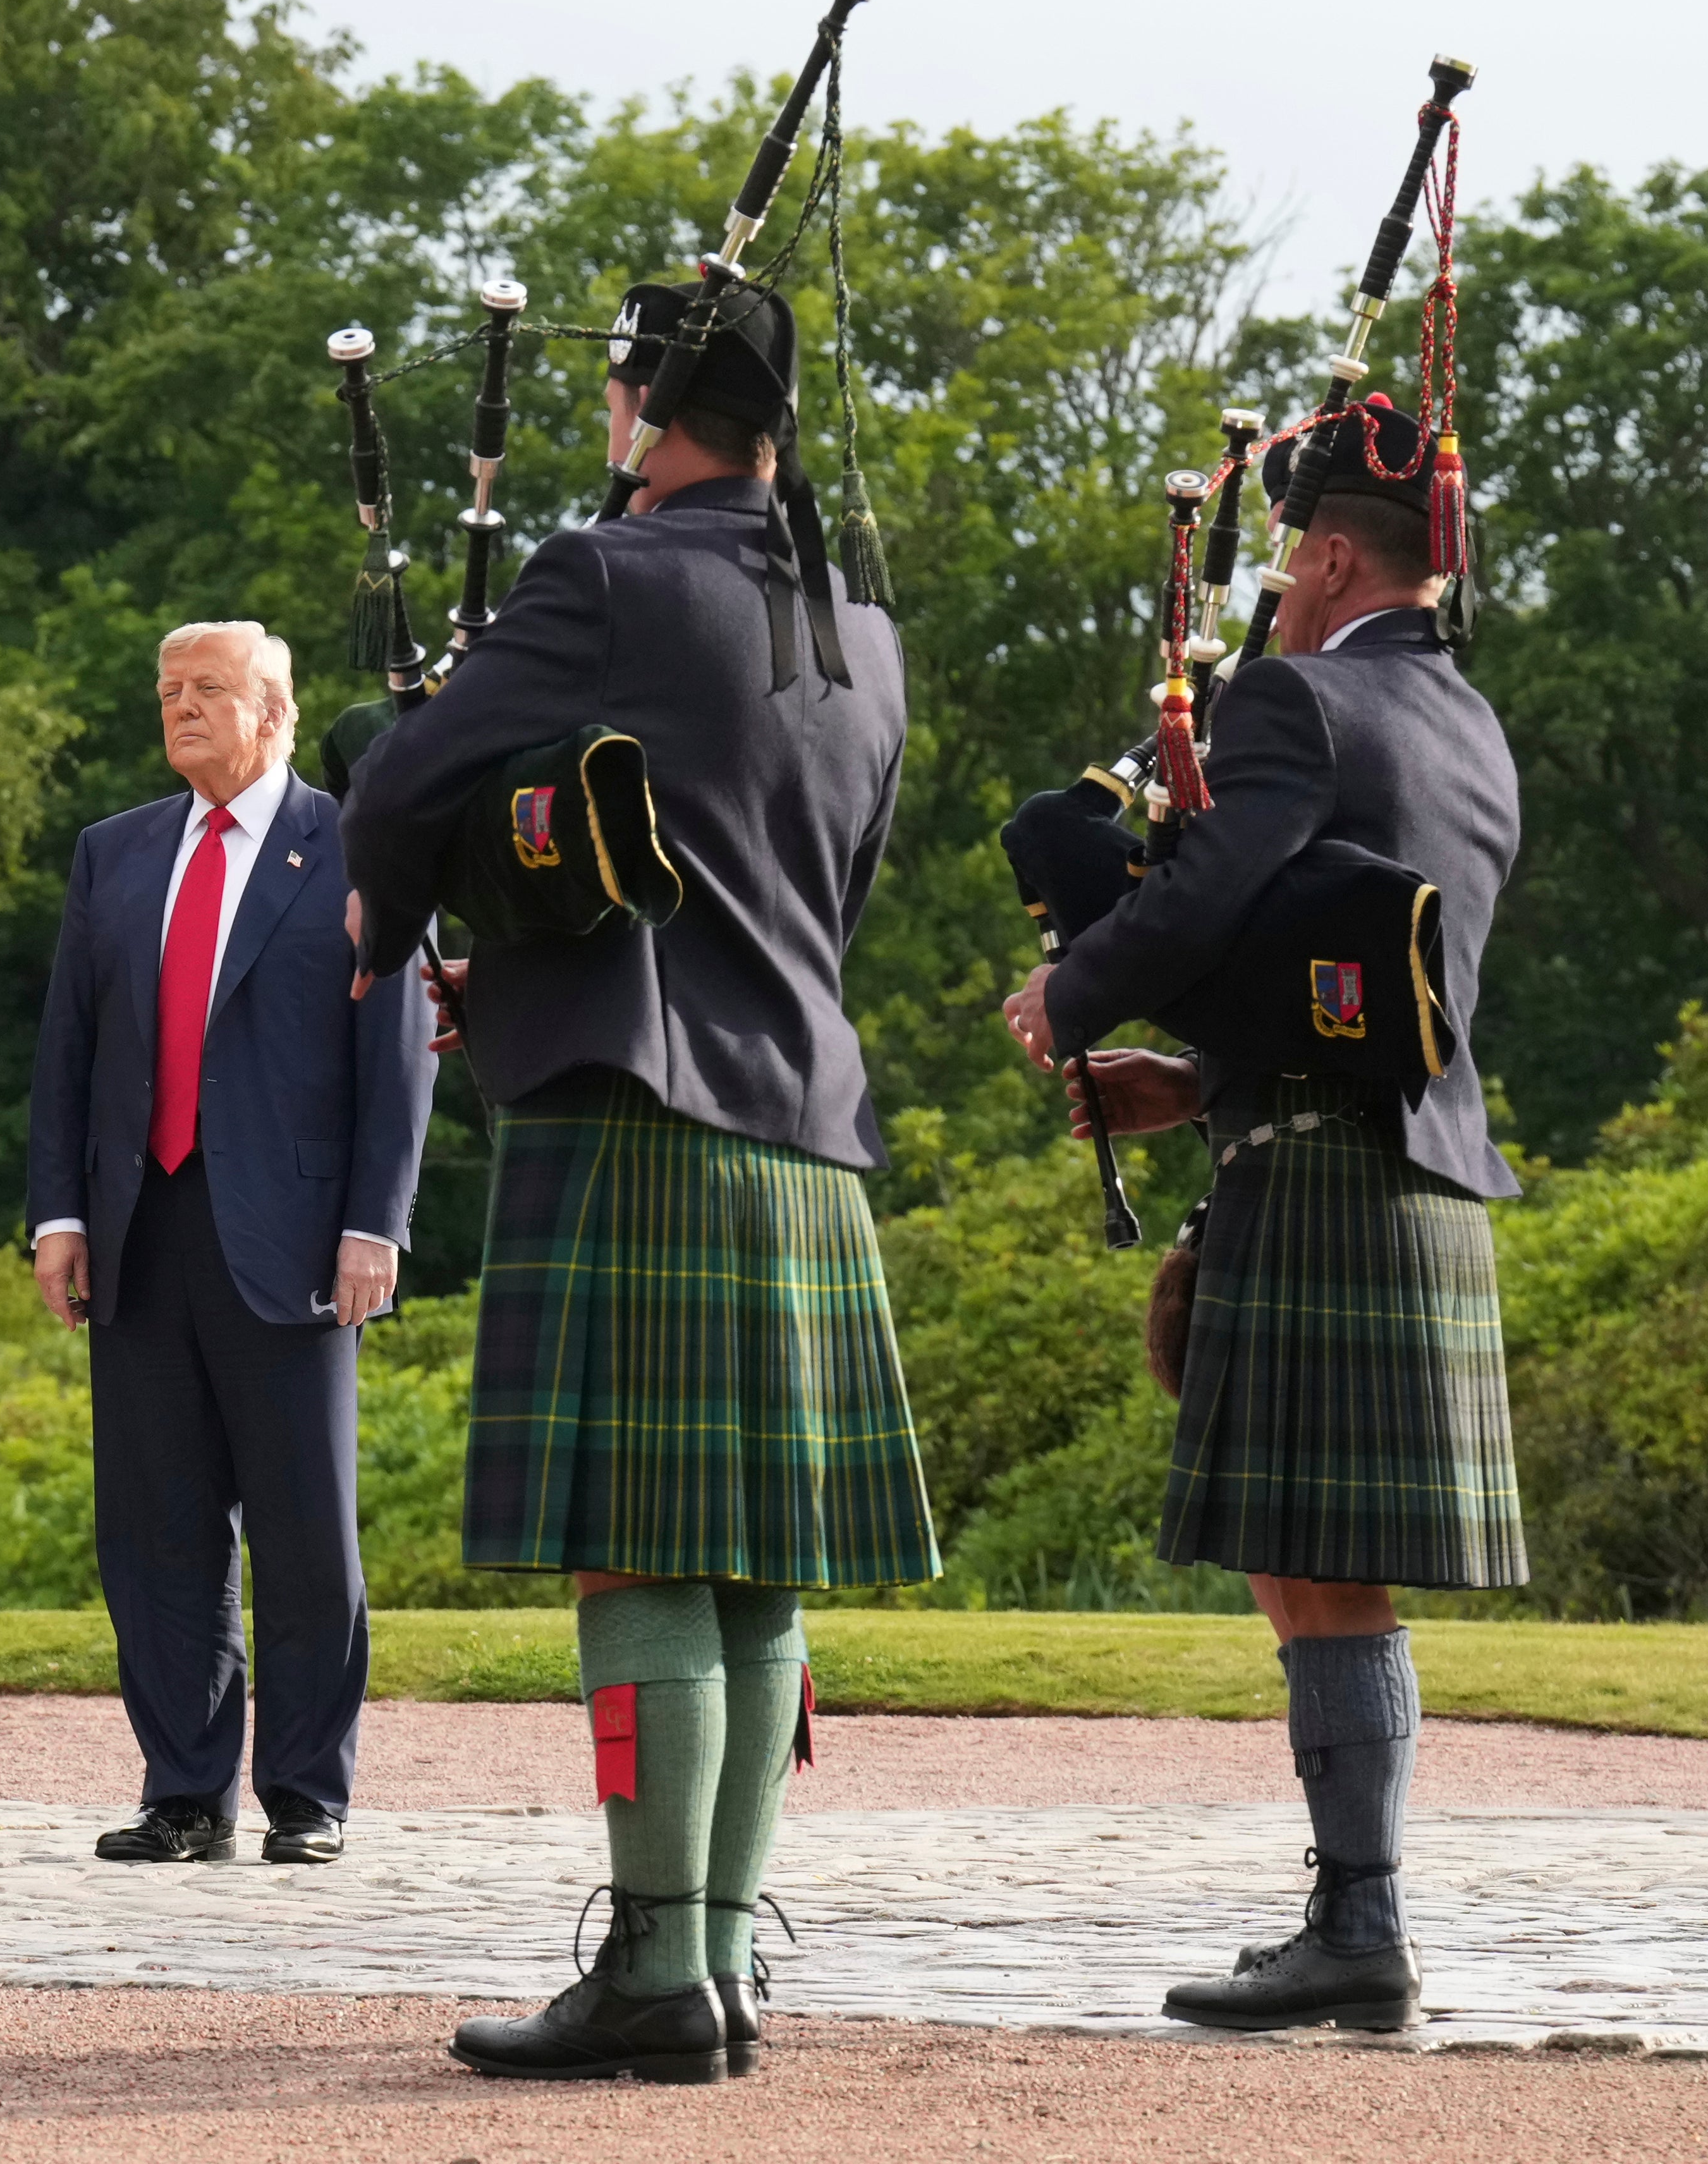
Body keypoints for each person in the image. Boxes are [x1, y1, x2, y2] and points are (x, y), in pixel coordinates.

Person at [338, 280, 937, 2083]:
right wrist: (530, 958)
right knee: (755, 1567)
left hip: (638, 1118)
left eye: (617, 387)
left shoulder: (601, 576)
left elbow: (404, 779)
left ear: (646, 407)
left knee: (638, 1554)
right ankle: (720, 1958)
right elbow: (809, 886)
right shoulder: (863, 627)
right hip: (804, 1125)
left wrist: (392, 929)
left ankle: (656, 1970)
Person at [1004, 394, 1524, 2036]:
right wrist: (1192, 1076)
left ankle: (1360, 1924)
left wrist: (1069, 994)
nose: (1279, 591)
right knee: (1311, 1568)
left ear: (1331, 560)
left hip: (1320, 1176)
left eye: (1293, 563)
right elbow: (1342, 958)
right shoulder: (1469, 724)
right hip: (1396, 1152)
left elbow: (1211, 890)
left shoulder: (1299, 697)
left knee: (1319, 1569)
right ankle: (1349, 1914)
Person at [28, 620, 435, 1868]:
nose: (182, 707)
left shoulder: (356, 845)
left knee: (306, 1533)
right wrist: (59, 1213)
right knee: (158, 1528)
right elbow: (68, 1049)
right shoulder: (113, 852)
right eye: (168, 690)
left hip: (296, 1239)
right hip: (138, 1230)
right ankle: (184, 1792)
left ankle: (306, 1795)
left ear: (275, 713)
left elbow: (398, 1053)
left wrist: (374, 1222)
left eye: (207, 688)